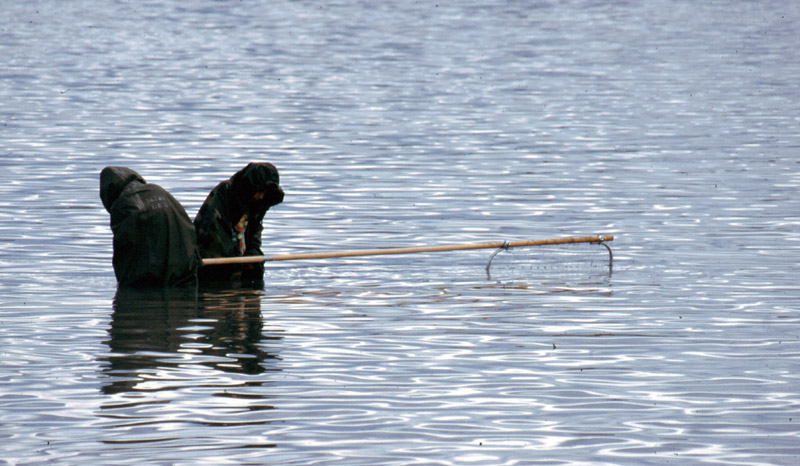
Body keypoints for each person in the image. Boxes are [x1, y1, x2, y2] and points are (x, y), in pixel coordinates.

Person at [100, 166, 201, 288]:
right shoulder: (158, 190)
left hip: (151, 278)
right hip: (185, 267)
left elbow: (124, 248)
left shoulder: (123, 203)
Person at [194, 162, 284, 283]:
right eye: (260, 191)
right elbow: (213, 241)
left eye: (264, 193)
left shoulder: (260, 202)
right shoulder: (225, 194)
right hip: (214, 267)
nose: (260, 197)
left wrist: (253, 258)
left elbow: (254, 237)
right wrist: (240, 263)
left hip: (239, 263)